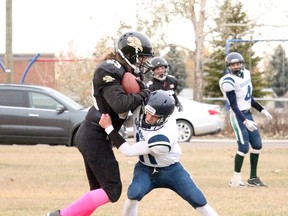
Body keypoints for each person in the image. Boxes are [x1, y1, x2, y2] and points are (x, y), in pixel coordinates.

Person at [47, 31, 154, 216]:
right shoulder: (108, 69)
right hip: (93, 134)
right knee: (112, 189)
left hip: (97, 134)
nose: (143, 63)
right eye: (141, 58)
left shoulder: (128, 73)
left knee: (98, 190)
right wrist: (145, 93)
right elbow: (119, 103)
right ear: (128, 54)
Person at [99, 90, 219, 216]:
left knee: (198, 200)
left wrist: (109, 128)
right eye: (148, 113)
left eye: (154, 116)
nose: (148, 118)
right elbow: (128, 120)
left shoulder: (167, 134)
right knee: (133, 195)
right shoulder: (141, 109)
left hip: (171, 170)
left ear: (164, 118)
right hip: (145, 168)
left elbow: (128, 151)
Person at [219, 52, 273, 188]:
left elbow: (249, 98)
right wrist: (245, 121)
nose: (236, 67)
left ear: (241, 64)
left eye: (238, 64)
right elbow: (233, 105)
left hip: (248, 113)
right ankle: (235, 180)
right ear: (229, 66)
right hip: (238, 116)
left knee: (257, 145)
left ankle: (253, 178)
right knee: (243, 147)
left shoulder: (247, 74)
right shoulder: (228, 81)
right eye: (233, 65)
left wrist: (262, 110)